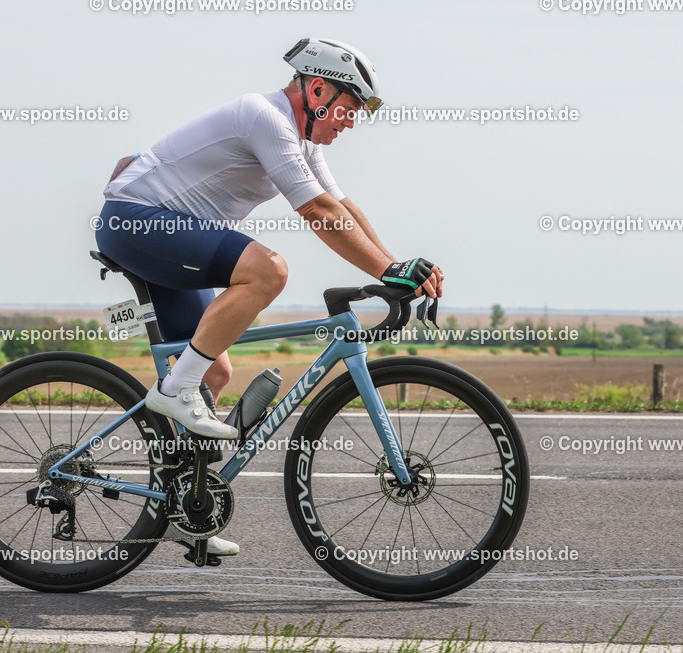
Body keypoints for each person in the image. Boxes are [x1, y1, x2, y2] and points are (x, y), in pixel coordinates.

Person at [95, 38, 444, 555]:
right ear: (318, 88)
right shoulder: (266, 117)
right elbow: (319, 216)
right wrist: (389, 269)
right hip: (136, 223)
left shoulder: (306, 142)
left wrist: (394, 268)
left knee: (211, 372)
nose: (350, 122)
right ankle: (172, 394)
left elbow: (340, 206)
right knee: (268, 271)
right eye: (349, 109)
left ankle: (181, 509)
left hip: (158, 230)